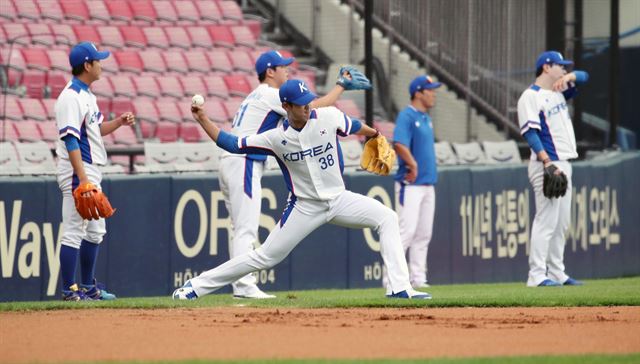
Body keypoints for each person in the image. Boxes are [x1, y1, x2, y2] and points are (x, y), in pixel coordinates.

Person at [173, 79, 431, 300]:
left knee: (387, 217)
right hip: (304, 207)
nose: (307, 106)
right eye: (300, 103)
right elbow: (232, 144)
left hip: (339, 199)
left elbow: (352, 124)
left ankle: (399, 288)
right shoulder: (274, 138)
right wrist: (203, 118)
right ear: (286, 106)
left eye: (308, 100)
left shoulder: (328, 117)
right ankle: (195, 286)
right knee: (264, 257)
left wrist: (374, 134)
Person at [219, 50, 366, 299]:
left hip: (231, 162)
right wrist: (340, 86)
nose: (287, 70)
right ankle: (243, 286)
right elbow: (312, 107)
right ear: (269, 72)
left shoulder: (257, 95)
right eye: (282, 66)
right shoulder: (270, 94)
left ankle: (240, 284)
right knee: (246, 228)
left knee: (239, 227)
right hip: (244, 161)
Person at [55, 42, 135, 301]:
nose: (101, 64)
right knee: (74, 230)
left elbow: (96, 129)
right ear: (87, 65)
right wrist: (83, 179)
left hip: (90, 168)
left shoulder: (87, 94)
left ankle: (89, 288)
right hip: (78, 169)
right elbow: (70, 140)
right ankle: (69, 291)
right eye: (98, 61)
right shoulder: (70, 96)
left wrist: (119, 123)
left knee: (95, 231)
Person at [517, 50, 589, 287]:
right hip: (546, 164)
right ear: (546, 67)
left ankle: (557, 271)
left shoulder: (557, 91)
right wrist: (547, 162)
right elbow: (530, 132)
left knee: (562, 223)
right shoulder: (530, 96)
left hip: (565, 162)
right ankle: (536, 274)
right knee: (546, 221)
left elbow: (585, 76)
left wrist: (570, 77)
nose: (564, 69)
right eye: (560, 66)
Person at [392, 75, 441, 289]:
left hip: (427, 184)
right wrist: (412, 163)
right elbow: (399, 144)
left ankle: (418, 278)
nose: (434, 93)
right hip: (410, 184)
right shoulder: (407, 116)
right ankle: (392, 279)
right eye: (430, 90)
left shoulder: (426, 117)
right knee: (406, 232)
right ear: (418, 93)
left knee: (423, 234)